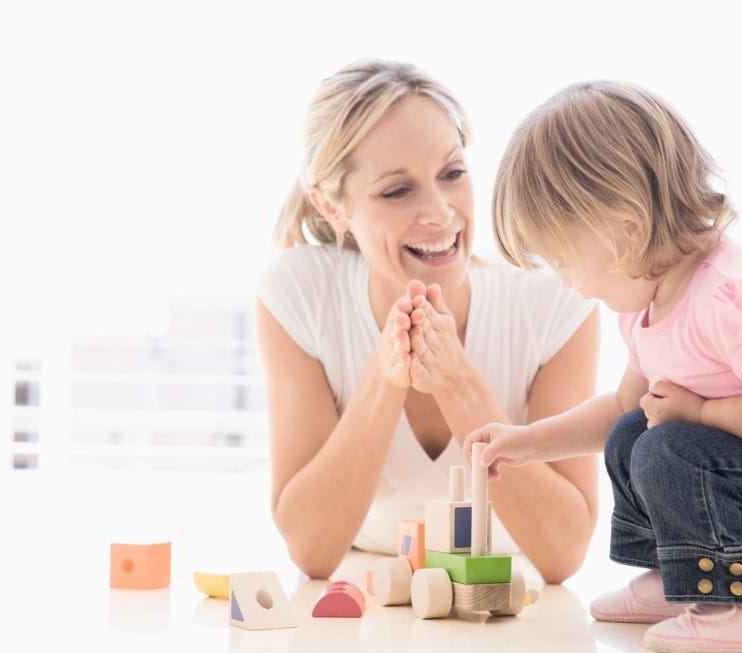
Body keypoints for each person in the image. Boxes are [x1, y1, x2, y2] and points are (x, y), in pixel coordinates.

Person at [465, 81, 742, 653]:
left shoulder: (729, 297)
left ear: (625, 231)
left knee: (664, 446)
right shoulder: (645, 309)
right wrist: (527, 442)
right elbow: (622, 408)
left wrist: (700, 412)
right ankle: (680, 579)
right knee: (635, 431)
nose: (567, 281)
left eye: (564, 260)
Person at [255, 59, 600, 583]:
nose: (440, 213)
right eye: (397, 191)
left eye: (452, 173)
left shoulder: (552, 297)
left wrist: (458, 385)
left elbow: (562, 554)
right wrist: (386, 375)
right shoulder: (300, 294)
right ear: (332, 206)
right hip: (372, 610)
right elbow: (313, 550)